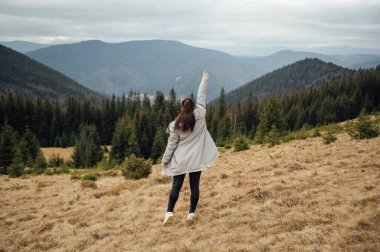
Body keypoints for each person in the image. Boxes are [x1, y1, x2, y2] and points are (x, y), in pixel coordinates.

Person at [161, 70, 219, 225]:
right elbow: (202, 95)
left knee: (176, 187)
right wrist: (204, 79)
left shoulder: (176, 124)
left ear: (182, 108)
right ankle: (191, 214)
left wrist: (165, 160)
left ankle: (169, 213)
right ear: (193, 107)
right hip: (196, 159)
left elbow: (171, 144)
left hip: (180, 159)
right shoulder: (200, 114)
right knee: (195, 187)